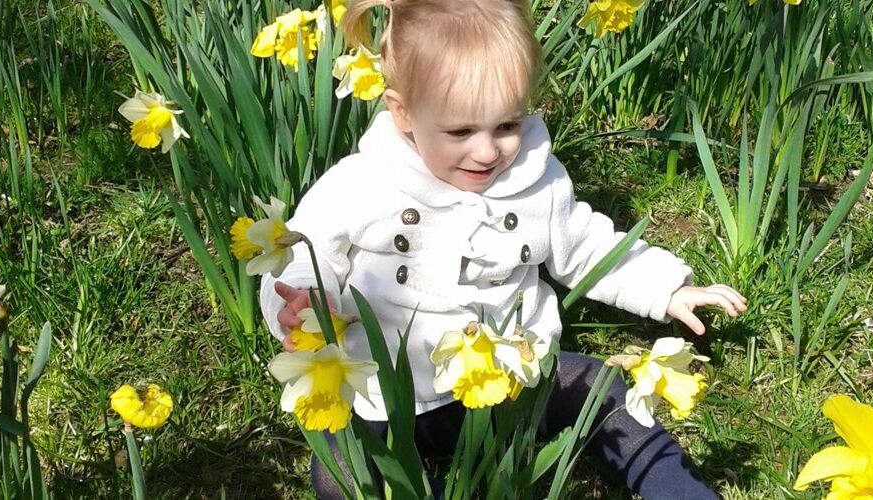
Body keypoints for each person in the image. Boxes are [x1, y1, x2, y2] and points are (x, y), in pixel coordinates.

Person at [260, 0, 747, 497]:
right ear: (401, 111)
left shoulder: (536, 181)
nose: (487, 151)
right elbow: (305, 248)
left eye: (507, 126)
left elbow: (587, 247)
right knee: (342, 468)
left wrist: (666, 288)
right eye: (460, 131)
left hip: (514, 381)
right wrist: (302, 299)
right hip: (387, 394)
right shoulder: (364, 182)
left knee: (601, 389)